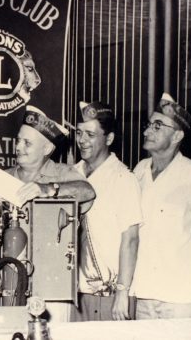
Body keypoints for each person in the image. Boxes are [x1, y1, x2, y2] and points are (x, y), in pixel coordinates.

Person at [132, 92, 191, 319]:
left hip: (182, 295)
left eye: (157, 126)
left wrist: (181, 255)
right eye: (148, 125)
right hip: (144, 291)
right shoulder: (139, 171)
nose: (146, 131)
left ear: (177, 136)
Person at [6, 105, 96, 322]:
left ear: (47, 149)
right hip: (9, 282)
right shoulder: (4, 177)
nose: (19, 147)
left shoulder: (62, 173)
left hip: (53, 282)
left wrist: (49, 189)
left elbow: (88, 191)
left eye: (27, 143)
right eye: (18, 140)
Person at [71, 100, 141, 321]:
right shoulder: (70, 174)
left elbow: (130, 239)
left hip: (109, 295)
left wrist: (122, 293)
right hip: (74, 292)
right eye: (79, 133)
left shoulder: (123, 179)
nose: (82, 140)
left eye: (90, 135)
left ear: (109, 139)